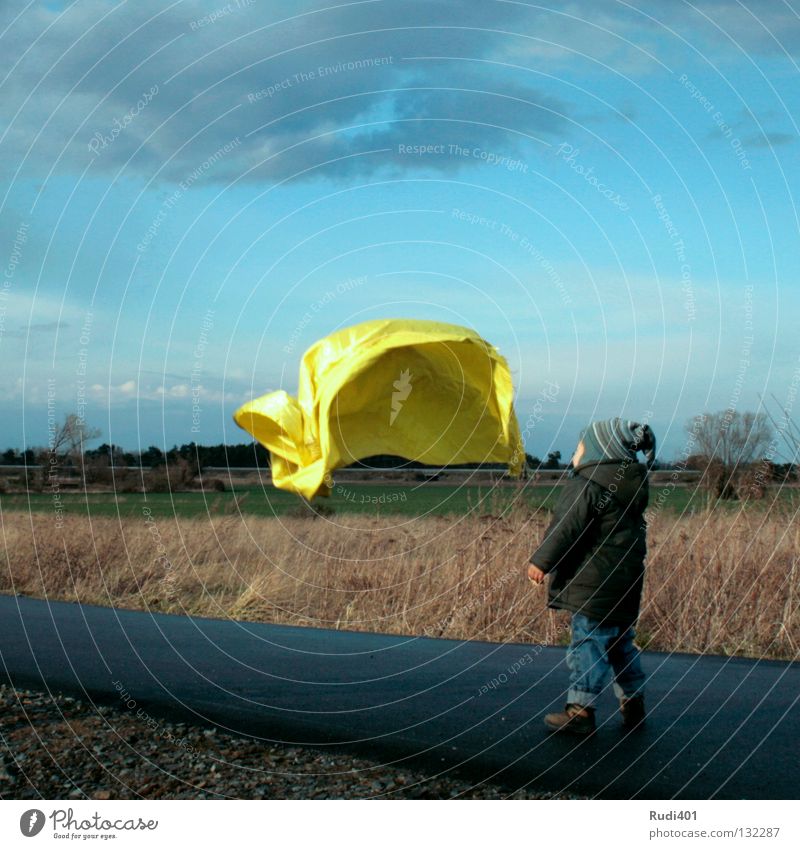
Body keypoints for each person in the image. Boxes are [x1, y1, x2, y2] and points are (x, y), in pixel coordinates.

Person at [528, 418, 656, 734]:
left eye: (581, 445)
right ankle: (633, 700)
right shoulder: (632, 486)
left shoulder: (588, 483)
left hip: (592, 584)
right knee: (620, 645)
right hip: (625, 583)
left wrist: (542, 561)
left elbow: (566, 527)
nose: (576, 452)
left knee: (588, 643)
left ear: (599, 449)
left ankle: (581, 710)